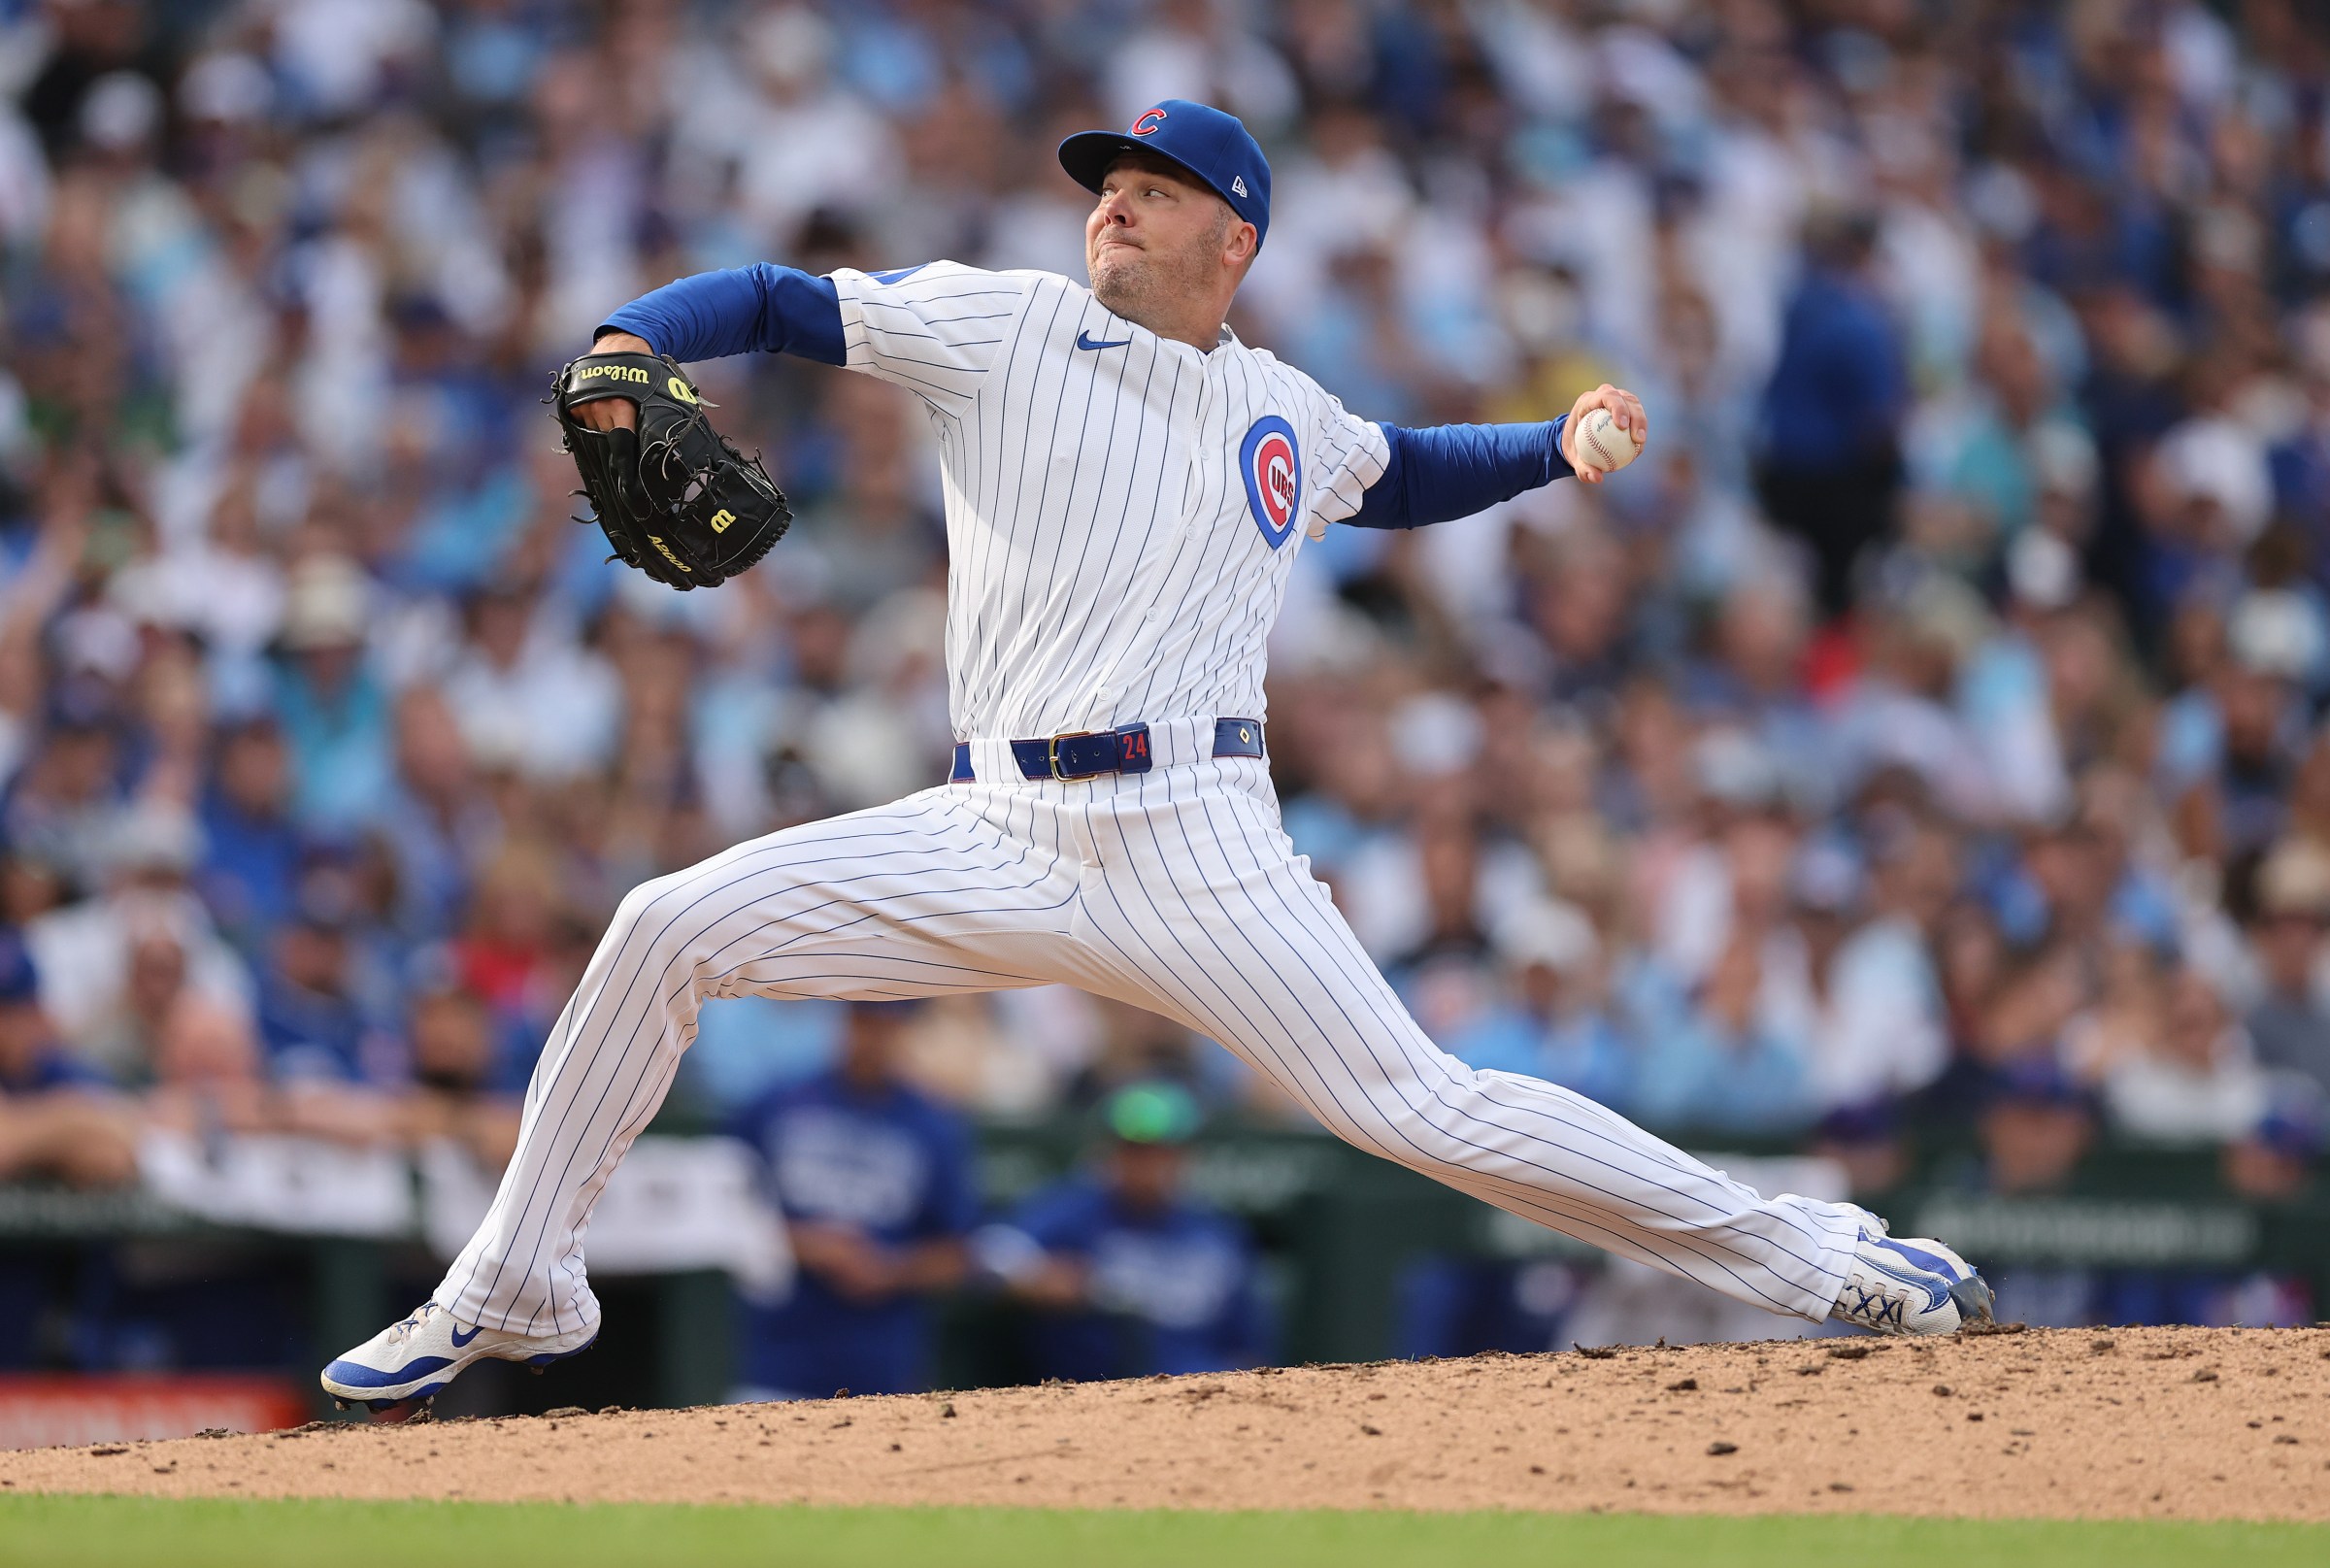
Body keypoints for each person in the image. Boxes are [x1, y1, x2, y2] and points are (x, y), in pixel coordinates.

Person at [323, 99, 1990, 1411]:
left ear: (1233, 233)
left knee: (1427, 1106)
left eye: (1155, 183)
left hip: (1198, 834)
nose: (1112, 197)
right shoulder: (1004, 325)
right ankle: (518, 1280)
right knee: (660, 928)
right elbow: (772, 298)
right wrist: (632, 335)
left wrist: (1547, 449)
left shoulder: (1278, 404)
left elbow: (1396, 468)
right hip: (992, 826)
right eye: (1104, 178)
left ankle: (1823, 1261)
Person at [727, 1000, 977, 1400]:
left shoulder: (934, 1126)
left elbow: (959, 1254)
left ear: (905, 1032)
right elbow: (718, 1211)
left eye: (886, 1025)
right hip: (776, 1354)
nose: (872, 1038)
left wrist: (891, 1269)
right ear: (842, 1022)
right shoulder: (776, 1102)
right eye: (863, 1021)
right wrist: (805, 1244)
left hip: (880, 1363)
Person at [975, 1081, 1267, 1382]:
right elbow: (992, 1251)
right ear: (1110, 1153)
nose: (1146, 1165)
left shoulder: (1215, 1234)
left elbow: (1248, 1347)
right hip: (1101, 1397)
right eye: (1134, 1150)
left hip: (1203, 1394)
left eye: (1159, 1152)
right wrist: (1040, 1276)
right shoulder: (1075, 1211)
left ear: (1183, 1156)